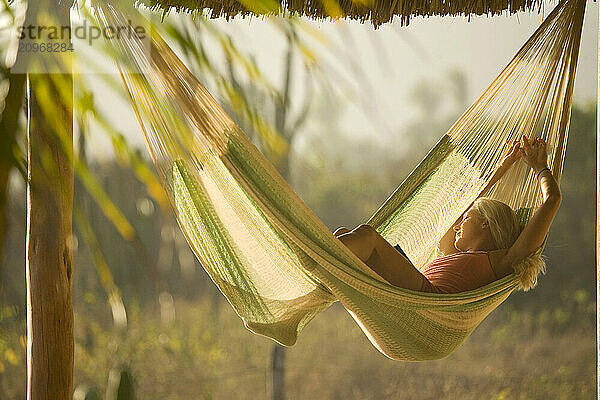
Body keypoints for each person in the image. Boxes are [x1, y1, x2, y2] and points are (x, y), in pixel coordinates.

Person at [334, 135, 561, 293]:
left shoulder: (502, 262)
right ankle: (307, 299)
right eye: (464, 218)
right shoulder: (453, 255)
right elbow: (465, 203)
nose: (457, 224)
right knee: (347, 237)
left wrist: (540, 167)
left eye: (465, 218)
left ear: (485, 224)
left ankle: (318, 258)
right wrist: (503, 165)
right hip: (414, 291)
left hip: (425, 298)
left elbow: (551, 200)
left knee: (368, 237)